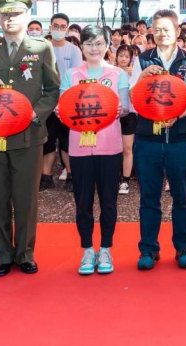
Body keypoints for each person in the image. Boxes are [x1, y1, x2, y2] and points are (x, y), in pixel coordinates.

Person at [0, 0, 60, 278]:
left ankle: (25, 253)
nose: (10, 19)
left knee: (26, 198)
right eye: (5, 15)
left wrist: (35, 113)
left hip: (28, 134)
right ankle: (3, 255)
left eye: (16, 14)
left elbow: (52, 89)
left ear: (26, 17)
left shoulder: (42, 48)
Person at [130, 9, 186, 271]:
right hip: (147, 137)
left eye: (167, 28)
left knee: (181, 194)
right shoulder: (142, 60)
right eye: (157, 29)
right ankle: (148, 248)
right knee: (149, 195)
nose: (162, 33)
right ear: (151, 31)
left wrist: (176, 116)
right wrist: (142, 78)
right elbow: (132, 97)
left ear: (177, 31)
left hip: (180, 137)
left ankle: (184, 246)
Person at [61, 26, 129, 275]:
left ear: (107, 45)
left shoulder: (117, 74)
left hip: (109, 146)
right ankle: (88, 249)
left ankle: (106, 248)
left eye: (99, 43)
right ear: (82, 47)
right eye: (88, 43)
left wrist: (119, 108)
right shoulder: (72, 74)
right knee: (83, 201)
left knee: (109, 201)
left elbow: (126, 107)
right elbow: (63, 106)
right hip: (79, 148)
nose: (94, 48)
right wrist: (61, 111)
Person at [41, 13, 84, 192]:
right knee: (48, 141)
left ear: (67, 29)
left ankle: (71, 176)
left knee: (67, 142)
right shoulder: (42, 48)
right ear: (50, 27)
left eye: (62, 26)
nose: (59, 29)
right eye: (55, 26)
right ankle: (46, 177)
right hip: (46, 104)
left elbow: (76, 77)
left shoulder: (74, 50)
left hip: (67, 104)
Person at [114, 45, 137, 195]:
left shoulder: (133, 74)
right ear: (116, 57)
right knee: (114, 148)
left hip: (129, 114)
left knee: (127, 148)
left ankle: (125, 180)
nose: (123, 59)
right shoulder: (110, 72)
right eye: (121, 55)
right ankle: (114, 177)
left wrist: (134, 75)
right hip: (112, 114)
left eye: (127, 56)